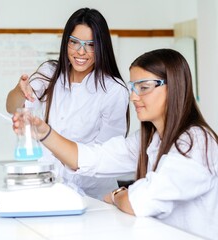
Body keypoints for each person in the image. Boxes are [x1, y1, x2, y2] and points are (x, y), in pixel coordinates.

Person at [12, 48, 218, 239]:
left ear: (173, 87)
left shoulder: (196, 143)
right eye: (133, 87)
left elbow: (140, 202)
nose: (134, 97)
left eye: (144, 87)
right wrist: (44, 132)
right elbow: (92, 158)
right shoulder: (148, 139)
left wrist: (119, 193)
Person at [6, 8, 129, 199]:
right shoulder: (50, 73)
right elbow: (13, 107)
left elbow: (104, 158)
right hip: (48, 187)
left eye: (91, 45)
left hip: (94, 196)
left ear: (102, 46)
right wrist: (19, 90)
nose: (81, 51)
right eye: (74, 42)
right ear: (66, 42)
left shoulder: (114, 90)